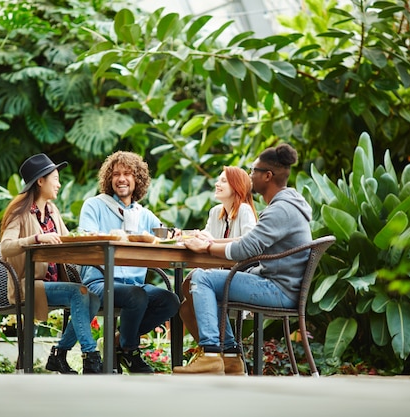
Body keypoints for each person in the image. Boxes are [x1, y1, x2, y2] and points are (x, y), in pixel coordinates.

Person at [173, 143, 313, 375]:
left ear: (267, 176)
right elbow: (248, 242)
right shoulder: (284, 205)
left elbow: (245, 249)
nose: (249, 176)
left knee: (202, 278)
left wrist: (207, 247)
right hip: (277, 283)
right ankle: (230, 358)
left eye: (253, 171)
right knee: (204, 280)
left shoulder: (280, 210)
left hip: (279, 290)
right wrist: (208, 243)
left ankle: (210, 355)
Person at [78, 151, 180, 374]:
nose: (121, 179)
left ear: (138, 180)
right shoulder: (94, 205)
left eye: (127, 174)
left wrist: (175, 234)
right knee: (137, 295)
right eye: (116, 174)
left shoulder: (143, 214)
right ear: (109, 179)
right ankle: (130, 350)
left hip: (134, 285)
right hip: (99, 282)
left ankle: (120, 342)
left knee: (170, 301)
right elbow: (85, 236)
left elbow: (167, 234)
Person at [0, 153, 103, 374]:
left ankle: (59, 354)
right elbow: (5, 247)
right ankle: (91, 356)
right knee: (80, 293)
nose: (59, 184)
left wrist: (87, 238)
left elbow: (67, 241)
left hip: (54, 284)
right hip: (29, 285)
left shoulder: (52, 211)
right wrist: (36, 239)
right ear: (40, 181)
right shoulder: (19, 212)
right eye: (55, 178)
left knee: (93, 298)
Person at [179, 166, 258, 349]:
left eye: (223, 181)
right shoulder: (216, 212)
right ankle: (221, 353)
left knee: (190, 282)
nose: (217, 183)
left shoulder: (244, 210)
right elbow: (206, 236)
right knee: (184, 307)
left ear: (236, 186)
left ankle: (225, 350)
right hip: (218, 274)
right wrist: (191, 236)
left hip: (242, 276)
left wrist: (211, 241)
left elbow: (249, 241)